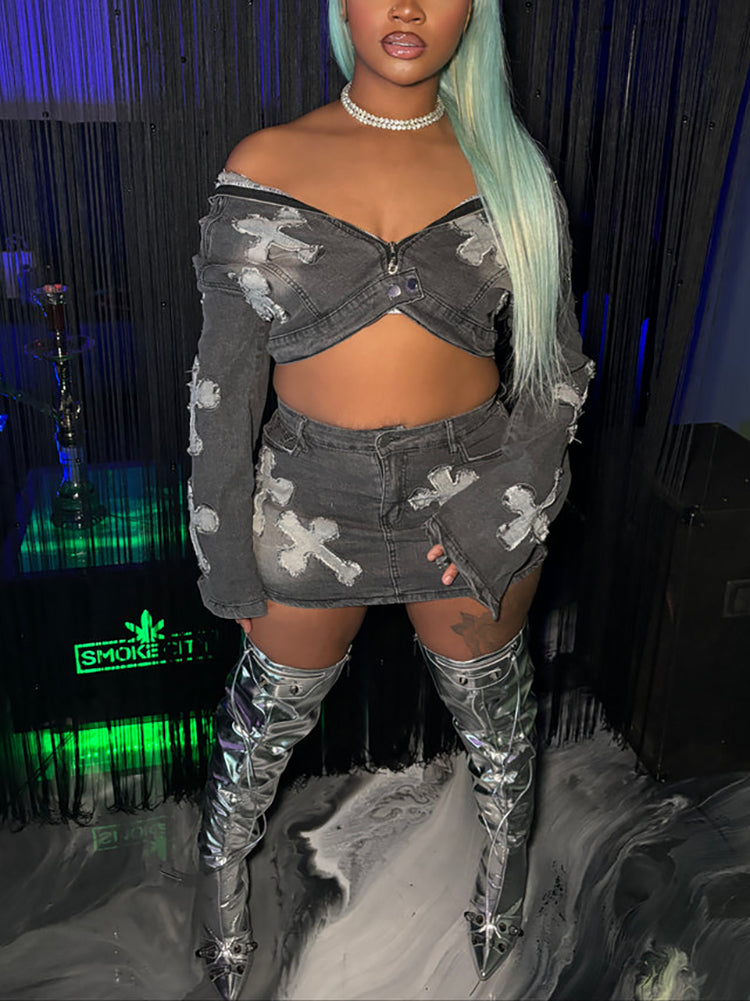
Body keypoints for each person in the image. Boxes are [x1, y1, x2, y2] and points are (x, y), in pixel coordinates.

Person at [188, 1, 593, 997]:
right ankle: (218, 881)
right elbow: (221, 385)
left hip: (474, 488)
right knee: (260, 728)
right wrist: (221, 547)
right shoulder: (267, 164)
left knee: (497, 726)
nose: (407, 5)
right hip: (306, 498)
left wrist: (507, 506)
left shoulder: (511, 171)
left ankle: (501, 880)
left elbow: (556, 373)